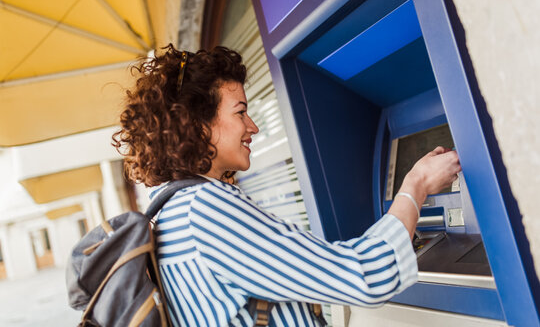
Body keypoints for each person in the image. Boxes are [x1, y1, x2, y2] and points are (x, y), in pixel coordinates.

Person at [113, 45, 461, 326]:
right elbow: (366, 277)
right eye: (240, 112)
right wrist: (417, 184)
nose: (253, 127)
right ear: (198, 124)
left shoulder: (166, 212)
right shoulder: (203, 210)